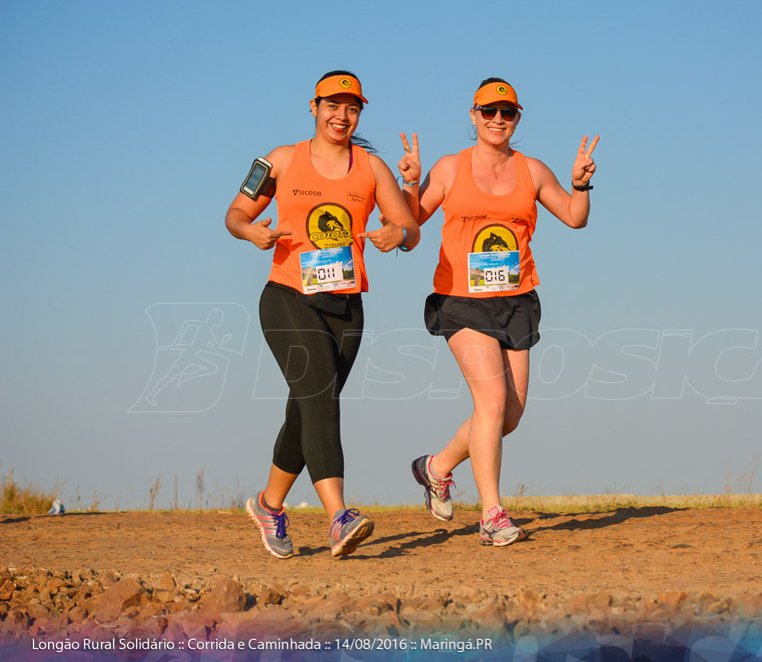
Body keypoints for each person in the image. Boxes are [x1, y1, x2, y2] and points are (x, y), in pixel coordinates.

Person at [225, 70, 421, 559]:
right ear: (313, 107)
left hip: (346, 306)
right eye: (333, 105)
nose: (342, 115)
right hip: (288, 295)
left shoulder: (372, 169)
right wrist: (253, 234)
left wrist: (397, 235)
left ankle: (269, 506)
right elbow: (235, 215)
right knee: (318, 398)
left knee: (308, 406)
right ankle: (338, 516)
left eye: (352, 108)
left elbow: (409, 227)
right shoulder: (279, 160)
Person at [407, 77, 598, 546]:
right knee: (490, 404)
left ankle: (435, 467)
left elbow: (574, 216)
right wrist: (410, 182)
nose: (497, 120)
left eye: (506, 112)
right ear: (472, 116)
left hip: (516, 300)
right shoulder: (451, 168)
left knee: (510, 414)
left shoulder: (532, 170)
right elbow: (411, 224)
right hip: (461, 299)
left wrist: (581, 185)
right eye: (488, 112)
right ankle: (492, 515)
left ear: (517, 118)